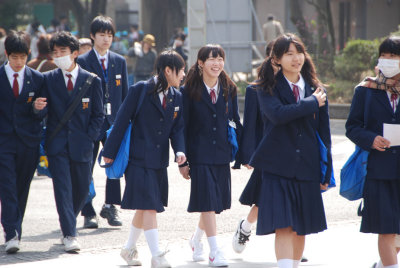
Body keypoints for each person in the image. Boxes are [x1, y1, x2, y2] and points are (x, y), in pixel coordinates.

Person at [249, 33, 331, 268]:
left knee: (300, 227)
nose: (296, 58)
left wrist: (326, 173)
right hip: (276, 166)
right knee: (283, 224)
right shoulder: (267, 88)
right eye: (289, 54)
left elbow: (325, 136)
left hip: (308, 166)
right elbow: (277, 115)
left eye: (299, 52)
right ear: (276, 59)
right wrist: (310, 103)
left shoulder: (317, 89)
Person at [102, 50, 186, 268]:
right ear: (168, 70)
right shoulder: (140, 90)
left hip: (158, 162)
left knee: (144, 207)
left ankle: (128, 249)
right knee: (149, 206)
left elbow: (177, 130)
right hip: (137, 160)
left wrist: (180, 151)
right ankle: (157, 255)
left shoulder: (177, 96)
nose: (184, 74)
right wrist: (109, 152)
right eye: (181, 70)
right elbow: (121, 121)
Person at [36, 31, 103, 252]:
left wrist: (90, 138)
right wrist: (37, 108)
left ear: (74, 53)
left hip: (83, 145)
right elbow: (40, 112)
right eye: (55, 52)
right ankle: (69, 233)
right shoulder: (48, 79)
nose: (59, 56)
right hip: (58, 145)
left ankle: (68, 221)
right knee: (62, 189)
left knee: (82, 189)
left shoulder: (92, 80)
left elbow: (98, 115)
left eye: (63, 52)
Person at [180, 44, 242, 267]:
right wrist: (183, 160)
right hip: (199, 154)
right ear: (201, 63)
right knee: (207, 200)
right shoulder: (188, 91)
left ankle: (196, 240)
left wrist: (244, 154)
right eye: (211, 59)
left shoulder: (229, 89)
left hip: (222, 154)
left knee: (214, 202)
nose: (217, 63)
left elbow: (235, 122)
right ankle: (215, 250)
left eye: (220, 58)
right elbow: (182, 127)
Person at [346, 36, 400, 268]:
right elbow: (353, 126)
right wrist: (371, 139)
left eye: (394, 56)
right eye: (384, 56)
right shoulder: (366, 89)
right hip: (378, 170)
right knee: (386, 230)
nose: (387, 61)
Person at [77, 15, 129, 229]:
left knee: (114, 165)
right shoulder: (82, 61)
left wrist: (125, 122)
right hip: (90, 123)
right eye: (102, 35)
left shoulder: (119, 61)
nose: (106, 39)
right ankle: (87, 209)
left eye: (109, 35)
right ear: (92, 36)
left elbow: (125, 94)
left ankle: (110, 206)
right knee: (86, 167)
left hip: (113, 122)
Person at [0, 30, 45, 253]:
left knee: (21, 188)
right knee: (7, 187)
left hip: (29, 143)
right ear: (6, 54)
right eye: (14, 57)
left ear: (28, 54)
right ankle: (11, 233)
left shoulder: (38, 79)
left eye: (23, 57)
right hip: (3, 143)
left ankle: (16, 229)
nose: (18, 62)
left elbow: (42, 114)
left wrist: (37, 110)